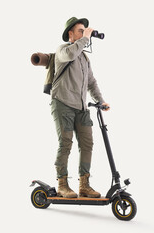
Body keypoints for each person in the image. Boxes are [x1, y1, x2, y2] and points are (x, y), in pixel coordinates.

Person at [50, 17, 110, 198]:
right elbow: (70, 55)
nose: (85, 34)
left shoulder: (84, 57)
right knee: (66, 143)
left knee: (87, 144)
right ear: (70, 34)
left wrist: (101, 100)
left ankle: (84, 185)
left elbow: (91, 82)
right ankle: (62, 184)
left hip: (81, 107)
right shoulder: (63, 50)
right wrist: (86, 38)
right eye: (80, 31)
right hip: (63, 103)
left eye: (85, 31)